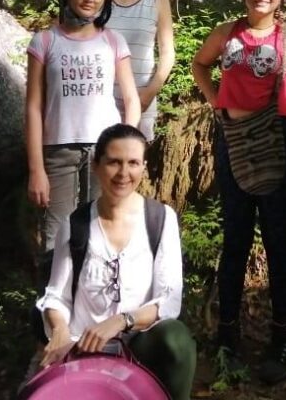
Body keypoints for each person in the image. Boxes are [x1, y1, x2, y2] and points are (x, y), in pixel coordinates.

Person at [191, 0, 286, 384]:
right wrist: (214, 99)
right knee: (236, 239)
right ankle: (227, 336)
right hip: (232, 141)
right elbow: (198, 64)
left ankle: (282, 339)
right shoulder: (226, 33)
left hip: (278, 141)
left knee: (279, 243)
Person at [35, 123, 196, 399]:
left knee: (177, 340)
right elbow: (56, 296)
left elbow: (168, 300)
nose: (124, 173)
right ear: (97, 166)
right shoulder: (76, 224)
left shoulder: (160, 219)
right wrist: (60, 330)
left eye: (133, 163)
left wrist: (122, 321)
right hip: (84, 345)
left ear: (143, 167)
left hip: (138, 344)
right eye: (114, 162)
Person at [25, 0, 141, 257]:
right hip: (58, 151)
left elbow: (131, 100)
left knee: (103, 230)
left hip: (106, 151)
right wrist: (36, 168)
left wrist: (130, 151)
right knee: (56, 238)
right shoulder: (45, 41)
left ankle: (98, 302)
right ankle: (54, 303)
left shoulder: (113, 41)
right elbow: (34, 107)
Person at [106, 0, 175, 141]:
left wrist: (147, 96)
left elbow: (167, 53)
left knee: (131, 168)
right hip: (98, 99)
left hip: (142, 98)